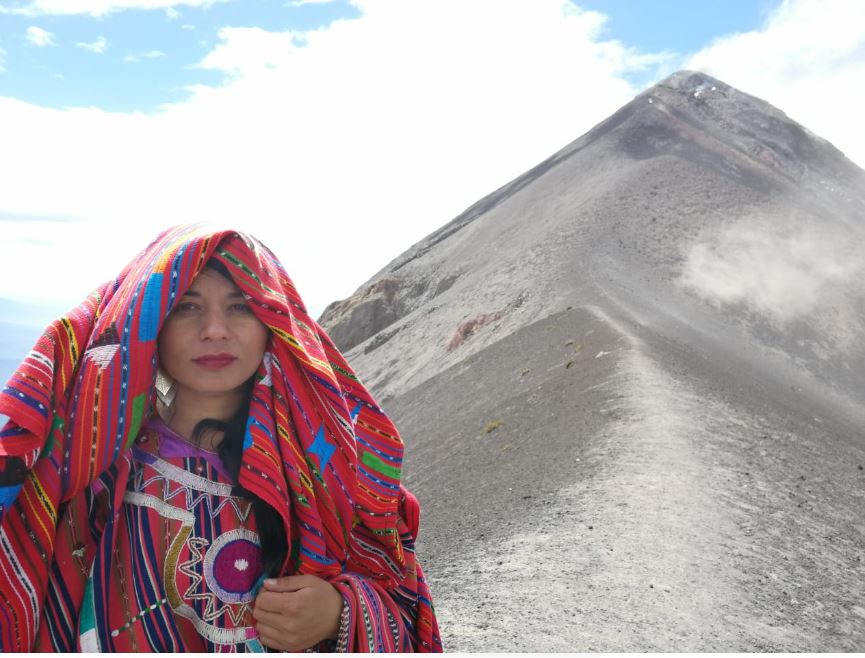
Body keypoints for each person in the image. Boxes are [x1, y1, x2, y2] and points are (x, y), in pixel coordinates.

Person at [0, 225, 441, 652]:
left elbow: (402, 597)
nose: (214, 329)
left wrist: (340, 612)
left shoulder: (326, 468)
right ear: (150, 322)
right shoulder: (89, 470)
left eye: (241, 306)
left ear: (274, 322)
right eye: (187, 307)